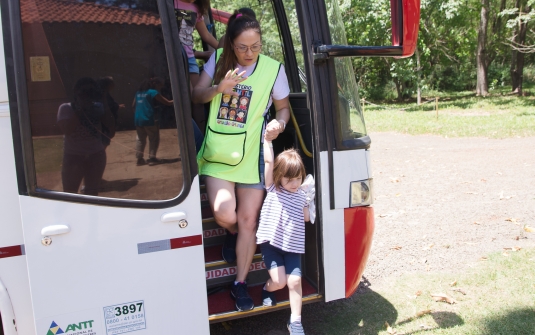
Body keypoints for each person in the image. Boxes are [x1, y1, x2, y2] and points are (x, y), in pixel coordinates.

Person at [192, 12, 290, 312]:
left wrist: (279, 125)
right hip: (219, 154)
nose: (249, 53)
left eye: (256, 46)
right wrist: (217, 89)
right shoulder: (218, 58)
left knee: (249, 220)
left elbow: (283, 108)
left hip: (253, 155)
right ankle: (229, 233)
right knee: (226, 215)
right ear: (231, 44)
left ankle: (239, 284)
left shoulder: (274, 69)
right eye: (242, 47)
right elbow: (196, 95)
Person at [256, 142, 310, 334]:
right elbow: (269, 161)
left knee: (294, 281)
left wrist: (310, 202)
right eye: (289, 180)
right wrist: (268, 141)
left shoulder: (302, 195)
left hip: (293, 246)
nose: (294, 184)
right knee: (278, 282)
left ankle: (295, 322)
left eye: (298, 179)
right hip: (271, 245)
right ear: (279, 177)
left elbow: (306, 217)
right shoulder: (273, 189)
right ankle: (266, 289)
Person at [57, 77, 115, 196]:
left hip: (96, 155)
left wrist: (104, 101)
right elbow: (67, 130)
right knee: (70, 193)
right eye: (84, 91)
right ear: (76, 92)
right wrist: (81, 108)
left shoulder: (98, 107)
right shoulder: (66, 108)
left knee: (92, 193)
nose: (87, 95)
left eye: (91, 92)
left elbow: (111, 130)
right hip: (73, 156)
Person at [132, 77, 173, 166]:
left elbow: (133, 105)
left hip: (138, 119)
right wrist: (178, 100)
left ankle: (139, 159)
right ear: (155, 84)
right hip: (149, 118)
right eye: (160, 85)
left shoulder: (138, 93)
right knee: (153, 138)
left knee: (140, 139)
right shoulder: (153, 92)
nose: (160, 87)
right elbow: (167, 102)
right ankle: (152, 158)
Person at [97, 76, 124, 147]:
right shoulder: (103, 94)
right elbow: (107, 106)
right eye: (112, 82)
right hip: (105, 125)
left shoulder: (105, 94)